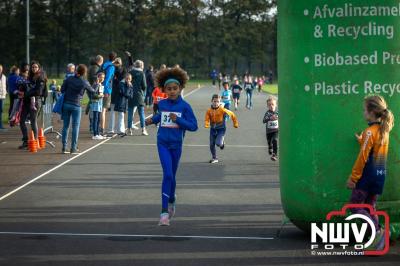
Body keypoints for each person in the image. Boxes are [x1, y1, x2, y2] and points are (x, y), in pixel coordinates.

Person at [145, 67, 198, 226]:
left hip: (176, 145)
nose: (172, 91)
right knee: (167, 174)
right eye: (169, 89)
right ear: (164, 90)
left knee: (172, 176)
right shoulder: (162, 104)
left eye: (175, 88)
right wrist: (152, 120)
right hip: (162, 143)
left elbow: (194, 126)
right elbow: (162, 116)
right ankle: (163, 213)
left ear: (180, 88)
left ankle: (172, 198)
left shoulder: (185, 106)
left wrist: (179, 120)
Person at [346, 95, 394, 250]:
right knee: (369, 207)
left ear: (372, 112)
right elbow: (374, 146)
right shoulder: (383, 130)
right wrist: (362, 140)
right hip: (380, 175)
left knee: (354, 206)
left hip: (367, 176)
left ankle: (378, 230)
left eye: (364, 110)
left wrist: (353, 178)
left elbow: (363, 157)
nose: (363, 113)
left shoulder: (369, 132)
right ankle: (378, 240)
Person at [61, 64, 95, 154]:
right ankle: (73, 148)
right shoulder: (84, 81)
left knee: (65, 126)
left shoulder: (69, 79)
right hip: (76, 105)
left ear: (76, 70)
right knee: (75, 127)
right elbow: (93, 91)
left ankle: (64, 147)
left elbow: (62, 89)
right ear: (84, 72)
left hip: (66, 103)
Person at [18, 61, 47, 149]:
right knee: (21, 120)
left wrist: (26, 94)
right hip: (26, 101)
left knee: (33, 121)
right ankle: (26, 140)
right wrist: (21, 87)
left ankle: (35, 141)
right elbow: (27, 87)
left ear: (39, 68)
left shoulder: (41, 78)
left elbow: (38, 91)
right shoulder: (29, 77)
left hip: (35, 101)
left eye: (35, 67)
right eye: (32, 67)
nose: (34, 68)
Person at [205, 94, 239, 164]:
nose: (216, 103)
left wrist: (235, 123)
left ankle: (222, 144)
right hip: (213, 129)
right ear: (211, 101)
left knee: (218, 143)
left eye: (217, 101)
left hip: (221, 129)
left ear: (219, 102)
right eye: (214, 101)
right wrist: (207, 123)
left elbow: (232, 114)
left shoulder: (222, 109)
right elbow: (207, 118)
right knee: (211, 144)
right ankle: (214, 158)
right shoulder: (209, 111)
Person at [128, 60, 148, 136]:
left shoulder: (130, 72)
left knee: (130, 113)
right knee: (141, 113)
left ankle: (129, 130)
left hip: (131, 94)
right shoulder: (142, 74)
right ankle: (143, 129)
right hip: (139, 95)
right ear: (141, 66)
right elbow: (144, 86)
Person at [101, 52, 117, 135]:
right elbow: (107, 78)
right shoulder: (111, 67)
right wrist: (105, 89)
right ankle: (101, 129)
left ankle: (96, 128)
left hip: (100, 87)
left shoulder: (104, 64)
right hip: (106, 89)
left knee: (100, 108)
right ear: (115, 59)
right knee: (103, 109)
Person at [109, 57, 125, 135]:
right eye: (116, 62)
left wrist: (115, 79)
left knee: (117, 112)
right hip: (116, 93)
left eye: (117, 62)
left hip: (118, 93)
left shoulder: (114, 69)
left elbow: (122, 79)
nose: (117, 64)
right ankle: (116, 129)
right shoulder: (113, 69)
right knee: (117, 112)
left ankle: (117, 129)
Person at [263, 97, 279, 161]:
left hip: (276, 130)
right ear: (267, 106)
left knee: (275, 140)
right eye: (269, 105)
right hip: (269, 132)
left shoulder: (278, 113)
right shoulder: (267, 113)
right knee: (269, 142)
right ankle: (270, 147)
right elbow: (264, 121)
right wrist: (270, 118)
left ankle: (275, 154)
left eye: (272, 104)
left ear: (276, 105)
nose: (271, 106)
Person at [90, 72, 105, 140]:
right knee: (95, 119)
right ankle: (95, 134)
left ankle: (98, 133)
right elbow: (93, 94)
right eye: (101, 77)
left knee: (98, 119)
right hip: (95, 103)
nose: (102, 79)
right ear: (98, 77)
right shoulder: (95, 84)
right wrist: (100, 96)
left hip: (99, 103)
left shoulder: (100, 84)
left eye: (103, 77)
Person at [0, 64, 7, 130]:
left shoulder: (4, 77)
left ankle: (1, 125)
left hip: (2, 96)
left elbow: (5, 85)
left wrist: (5, 93)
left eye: (1, 68)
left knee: (1, 111)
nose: (0, 70)